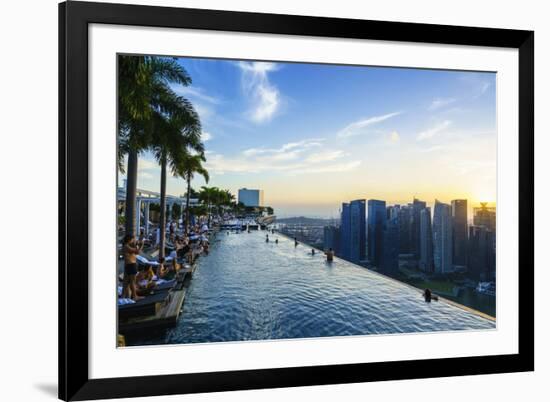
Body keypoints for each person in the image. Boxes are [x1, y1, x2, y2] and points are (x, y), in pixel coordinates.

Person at [122, 234, 144, 301]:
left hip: (130, 265)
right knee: (132, 282)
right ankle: (135, 296)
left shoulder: (127, 246)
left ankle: (124, 296)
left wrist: (139, 245)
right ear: (129, 240)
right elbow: (137, 251)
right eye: (132, 239)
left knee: (127, 282)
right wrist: (140, 245)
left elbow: (137, 253)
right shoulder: (126, 246)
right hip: (131, 265)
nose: (133, 241)